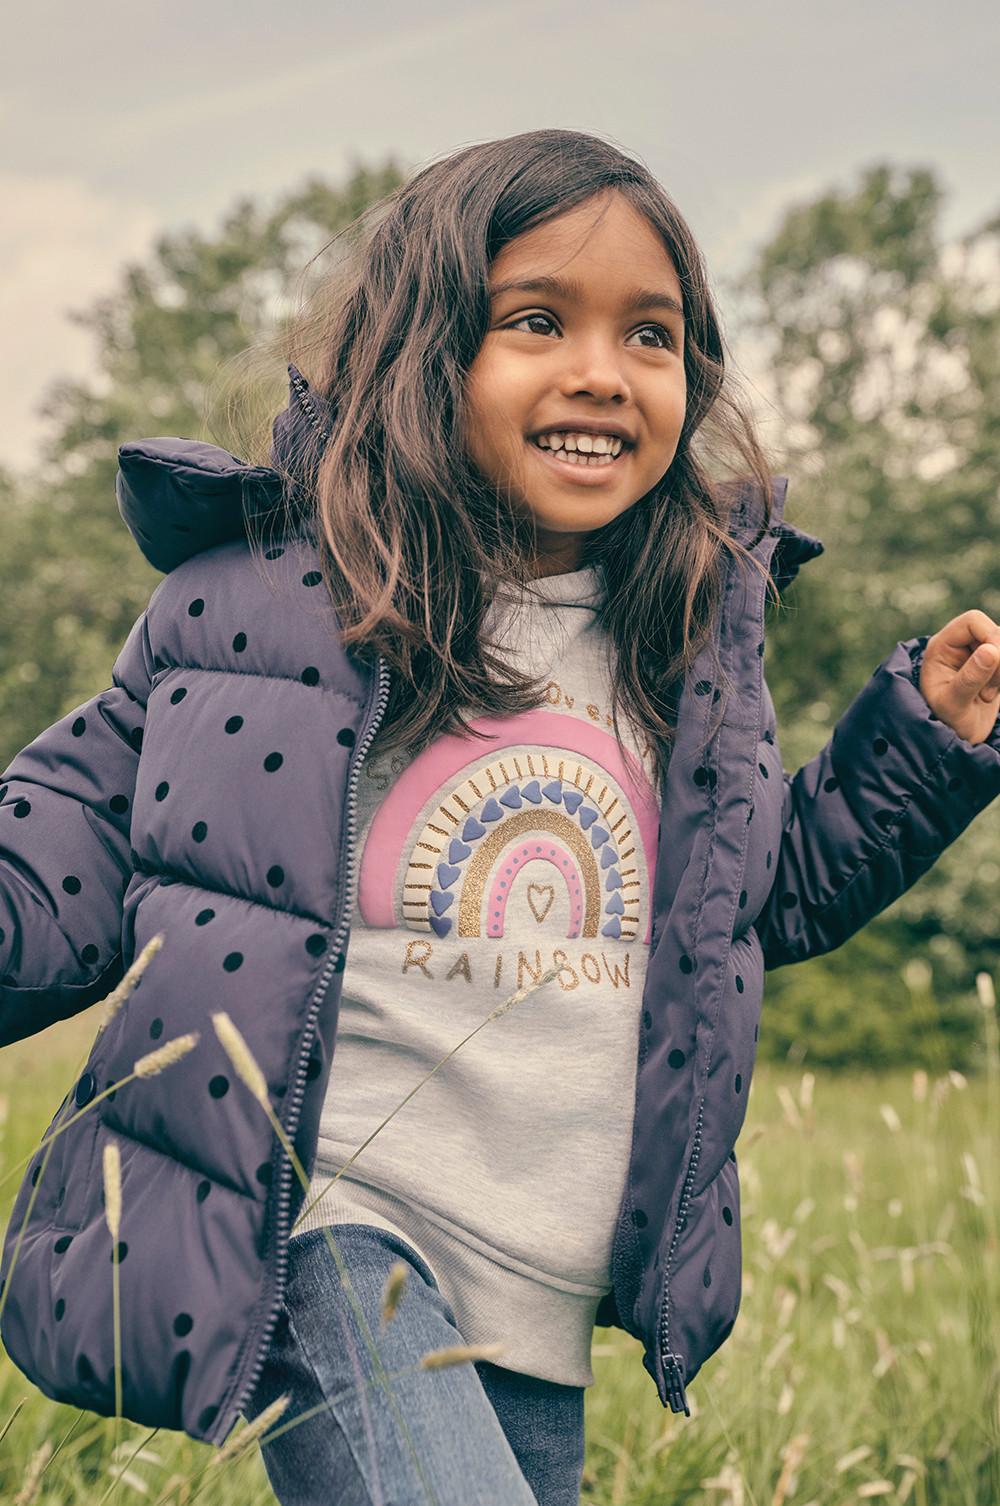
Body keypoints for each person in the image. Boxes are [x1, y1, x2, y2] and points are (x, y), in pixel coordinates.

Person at [1, 128, 1000, 1506]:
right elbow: (60, 845)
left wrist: (924, 748)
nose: (601, 369)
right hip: (331, 1230)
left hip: (542, 1277)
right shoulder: (263, 608)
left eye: (650, 335)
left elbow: (752, 904)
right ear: (426, 358)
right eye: (538, 319)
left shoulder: (687, 651)